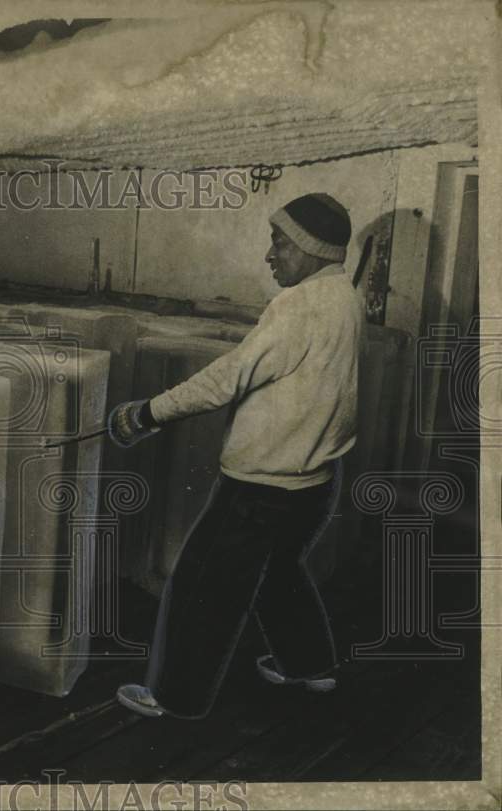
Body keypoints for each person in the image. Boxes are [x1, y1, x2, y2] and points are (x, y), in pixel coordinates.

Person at [108, 193, 364, 719]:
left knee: (202, 586)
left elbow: (228, 378)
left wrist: (147, 413)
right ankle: (309, 665)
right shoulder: (343, 295)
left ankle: (173, 698)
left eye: (280, 243)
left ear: (312, 248)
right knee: (278, 571)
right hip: (315, 482)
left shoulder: (296, 306)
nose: (270, 255)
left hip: (261, 487)